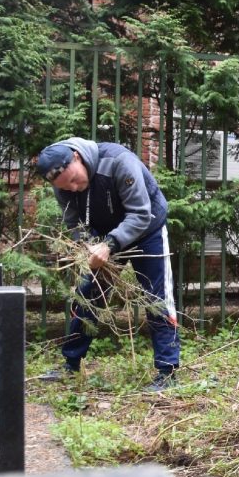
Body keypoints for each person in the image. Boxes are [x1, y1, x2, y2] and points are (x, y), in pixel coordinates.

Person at [35, 137, 180, 392]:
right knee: (88, 295)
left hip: (147, 229)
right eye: (65, 187)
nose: (73, 188)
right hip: (105, 237)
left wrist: (109, 245)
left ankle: (167, 371)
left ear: (77, 157)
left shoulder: (118, 162)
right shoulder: (63, 186)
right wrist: (88, 246)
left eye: (73, 180)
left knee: (156, 297)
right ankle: (71, 364)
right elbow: (75, 224)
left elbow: (140, 214)